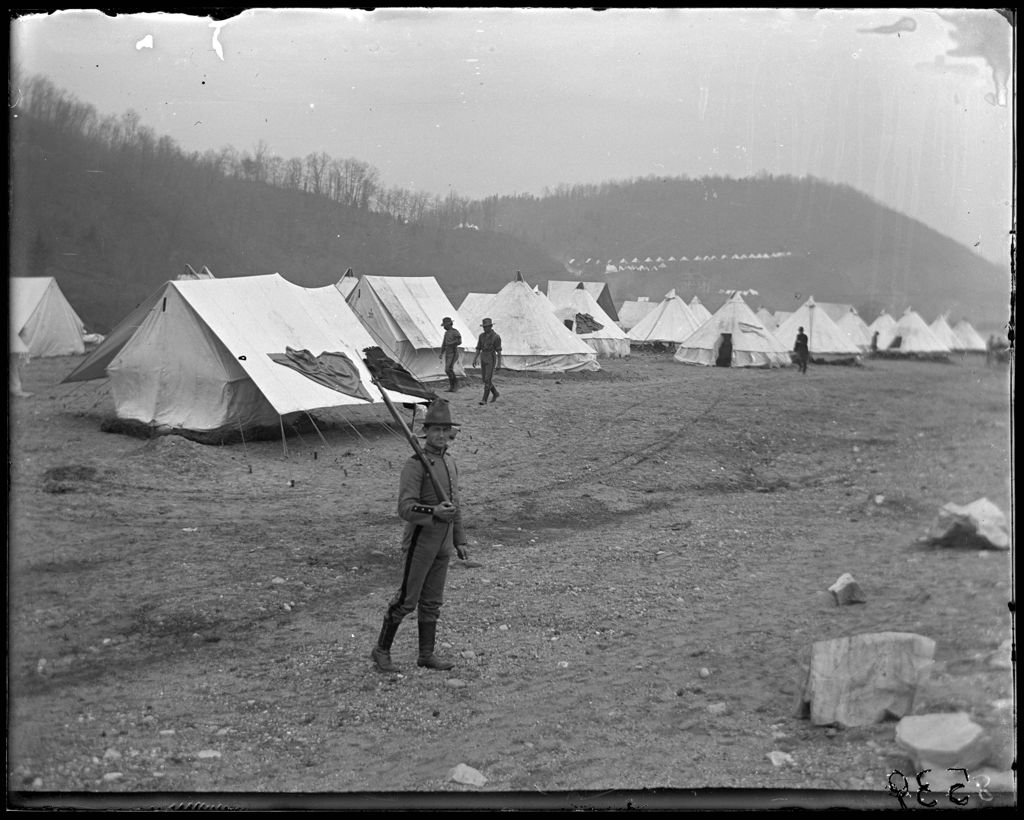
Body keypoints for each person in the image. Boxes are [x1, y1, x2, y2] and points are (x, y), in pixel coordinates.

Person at [371, 399, 469, 674]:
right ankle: (381, 650)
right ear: (427, 432)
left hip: (443, 544)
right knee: (407, 600)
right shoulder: (415, 465)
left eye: (445, 430)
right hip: (421, 541)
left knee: (432, 601)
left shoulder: (449, 462)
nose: (441, 435)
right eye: (436, 430)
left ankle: (426, 654)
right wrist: (433, 511)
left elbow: (455, 504)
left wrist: (459, 539)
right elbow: (405, 508)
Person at [472, 318, 503, 405]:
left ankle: (484, 399)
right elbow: (478, 348)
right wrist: (474, 359)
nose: (485, 328)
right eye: (484, 327)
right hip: (483, 356)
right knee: (484, 379)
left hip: (491, 357)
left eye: (486, 327)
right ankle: (495, 393)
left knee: (487, 379)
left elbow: (499, 352)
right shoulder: (481, 336)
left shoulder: (496, 337)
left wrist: (499, 364)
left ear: (491, 326)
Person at [439, 317, 462, 392]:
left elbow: (459, 341)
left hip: (453, 352)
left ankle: (455, 386)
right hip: (448, 353)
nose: (444, 327)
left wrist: (451, 343)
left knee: (448, 369)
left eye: (445, 325)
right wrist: (441, 353)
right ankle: (452, 387)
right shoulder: (446, 333)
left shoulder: (455, 332)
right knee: (448, 370)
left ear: (449, 324)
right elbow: (444, 344)